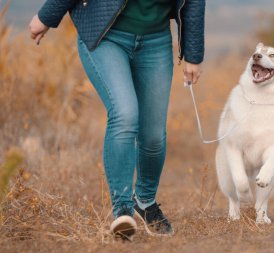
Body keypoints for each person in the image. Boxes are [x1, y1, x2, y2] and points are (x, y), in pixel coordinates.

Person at [29, 0, 205, 239]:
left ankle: (144, 202)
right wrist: (47, 16)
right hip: (105, 35)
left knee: (153, 136)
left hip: (155, 40)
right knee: (125, 114)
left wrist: (193, 55)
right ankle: (122, 209)